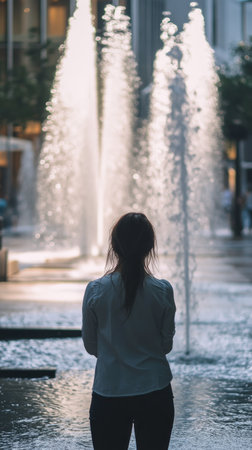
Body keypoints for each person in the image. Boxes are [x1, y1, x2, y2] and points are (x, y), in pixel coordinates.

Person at [82, 212, 176, 450]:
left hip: (109, 389)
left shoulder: (95, 291)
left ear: (114, 246)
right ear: (149, 247)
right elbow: (166, 345)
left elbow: (91, 346)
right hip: (155, 390)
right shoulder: (162, 291)